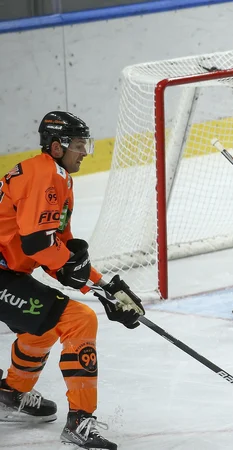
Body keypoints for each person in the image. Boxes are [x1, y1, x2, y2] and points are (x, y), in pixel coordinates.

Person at [0, 112, 145, 450]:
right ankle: (80, 422)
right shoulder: (44, 175)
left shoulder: (59, 177)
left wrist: (105, 287)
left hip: (8, 273)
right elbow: (37, 245)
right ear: (56, 146)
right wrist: (77, 274)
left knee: (46, 324)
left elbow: (57, 252)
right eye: (79, 146)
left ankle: (12, 390)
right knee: (79, 319)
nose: (85, 152)